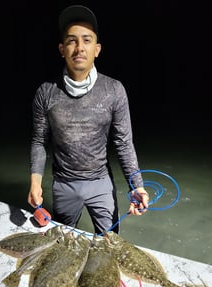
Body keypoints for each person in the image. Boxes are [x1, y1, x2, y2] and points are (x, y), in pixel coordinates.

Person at [27, 5, 149, 234]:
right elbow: (39, 141)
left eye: (87, 40)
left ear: (97, 49)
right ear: (62, 49)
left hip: (101, 184)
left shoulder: (114, 90)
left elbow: (123, 143)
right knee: (64, 245)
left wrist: (137, 186)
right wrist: (35, 183)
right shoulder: (46, 92)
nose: (79, 48)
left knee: (110, 243)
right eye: (72, 41)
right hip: (63, 185)